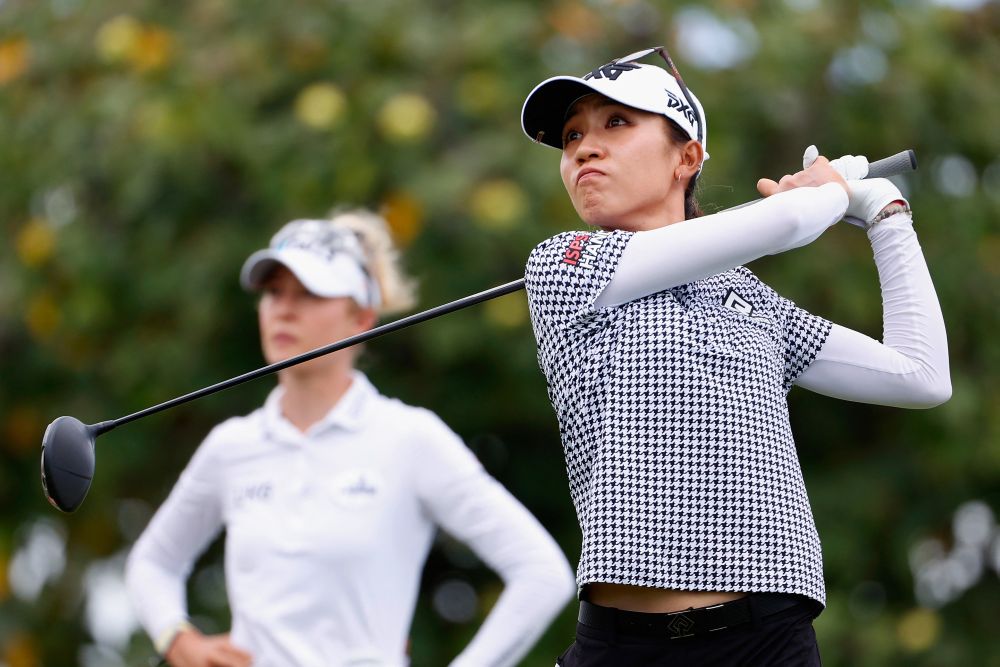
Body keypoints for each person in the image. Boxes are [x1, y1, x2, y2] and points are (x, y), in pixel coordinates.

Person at [519, 47, 951, 665]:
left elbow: (922, 376)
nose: (585, 148)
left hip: (768, 640)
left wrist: (882, 212)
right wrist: (826, 194)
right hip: (623, 646)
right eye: (571, 136)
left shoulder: (746, 298)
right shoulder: (567, 264)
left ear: (687, 157)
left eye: (616, 123)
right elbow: (790, 222)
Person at [125, 209, 576, 667]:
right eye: (274, 292)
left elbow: (542, 573)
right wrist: (178, 639)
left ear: (361, 317)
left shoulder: (409, 438)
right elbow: (153, 562)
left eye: (309, 293)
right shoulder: (231, 447)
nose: (283, 308)